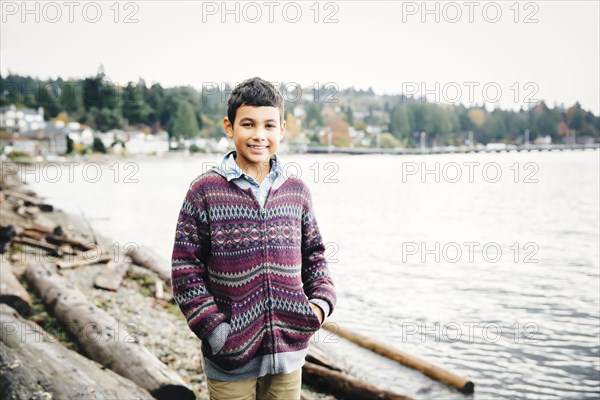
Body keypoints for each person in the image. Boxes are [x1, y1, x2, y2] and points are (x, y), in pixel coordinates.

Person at [171, 77, 336, 400]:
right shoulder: (205, 191)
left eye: (268, 126)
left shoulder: (296, 192)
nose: (259, 135)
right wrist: (218, 333)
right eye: (248, 124)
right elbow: (185, 270)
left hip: (289, 353)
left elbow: (315, 254)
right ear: (229, 127)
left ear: (282, 129)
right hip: (229, 359)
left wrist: (318, 307)